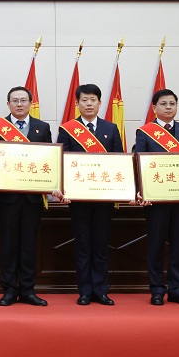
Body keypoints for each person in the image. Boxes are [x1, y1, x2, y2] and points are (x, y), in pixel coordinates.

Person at [57, 84, 124, 306]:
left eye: (93, 100)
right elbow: (61, 161)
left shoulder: (111, 129)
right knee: (83, 245)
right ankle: (85, 291)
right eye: (84, 100)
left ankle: (101, 290)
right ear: (77, 103)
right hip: (78, 199)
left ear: (99, 103)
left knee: (101, 244)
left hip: (104, 198)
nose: (88, 104)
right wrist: (64, 189)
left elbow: (119, 161)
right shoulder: (68, 129)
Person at [0, 86, 52, 307]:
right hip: (7, 197)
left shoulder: (43, 128)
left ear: (31, 103)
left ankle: (27, 290)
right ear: (8, 104)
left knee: (28, 245)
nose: (19, 104)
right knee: (8, 245)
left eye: (23, 100)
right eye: (15, 100)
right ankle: (9, 290)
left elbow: (49, 159)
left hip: (33, 198)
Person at [133, 88, 179, 306]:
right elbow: (138, 163)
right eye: (163, 104)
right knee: (156, 244)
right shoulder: (145, 132)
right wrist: (141, 190)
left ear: (177, 107)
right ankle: (157, 289)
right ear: (154, 108)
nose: (168, 107)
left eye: (172, 104)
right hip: (155, 200)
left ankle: (177, 288)